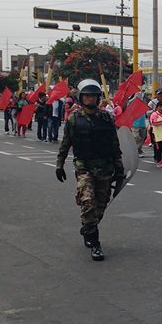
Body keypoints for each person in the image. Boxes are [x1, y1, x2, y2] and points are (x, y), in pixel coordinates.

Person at [55, 79, 125, 262]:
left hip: (105, 167)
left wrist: (119, 167)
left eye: (93, 96)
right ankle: (95, 243)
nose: (90, 99)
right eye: (87, 96)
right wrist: (59, 164)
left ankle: (88, 228)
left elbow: (114, 144)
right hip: (84, 167)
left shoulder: (106, 118)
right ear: (81, 97)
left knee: (100, 206)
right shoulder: (73, 119)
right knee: (87, 202)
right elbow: (66, 144)